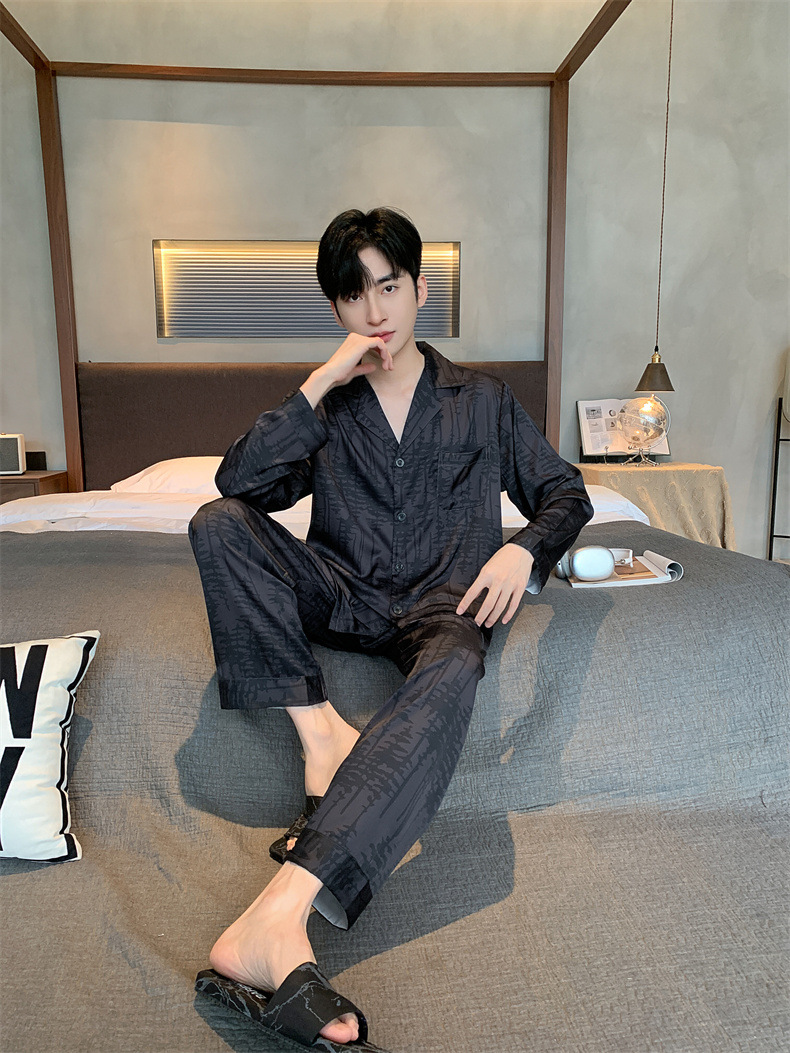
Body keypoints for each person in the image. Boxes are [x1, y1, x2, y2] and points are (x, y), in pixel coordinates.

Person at [189, 206, 594, 1047]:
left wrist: (523, 549)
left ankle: (281, 913)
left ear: (418, 289)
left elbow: (566, 492)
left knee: (458, 664)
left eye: (389, 285)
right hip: (343, 590)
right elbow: (238, 484)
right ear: (336, 307)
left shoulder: (484, 399)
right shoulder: (329, 407)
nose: (375, 311)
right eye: (354, 295)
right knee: (215, 524)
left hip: (445, 601)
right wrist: (318, 383)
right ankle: (321, 735)